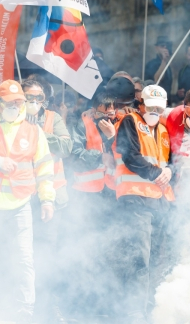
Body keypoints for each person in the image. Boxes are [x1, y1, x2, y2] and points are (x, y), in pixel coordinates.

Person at [0, 80, 55, 324]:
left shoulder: (33, 130)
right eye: (10, 103)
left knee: (23, 262)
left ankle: (23, 314)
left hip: (19, 206)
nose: (16, 107)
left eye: (19, 102)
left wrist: (47, 199)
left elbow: (44, 166)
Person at [114, 85, 174, 324]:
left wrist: (169, 170)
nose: (155, 111)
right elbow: (129, 155)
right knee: (140, 257)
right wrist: (157, 173)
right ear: (141, 104)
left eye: (159, 108)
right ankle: (134, 311)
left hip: (159, 201)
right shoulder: (130, 121)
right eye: (151, 107)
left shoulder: (162, 129)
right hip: (135, 197)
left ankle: (151, 308)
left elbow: (168, 161)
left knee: (157, 257)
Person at [22, 79, 71, 323]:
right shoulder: (11, 118)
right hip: (20, 199)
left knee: (49, 255)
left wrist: (39, 134)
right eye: (28, 97)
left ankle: (49, 307)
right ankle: (23, 307)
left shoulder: (53, 118)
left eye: (38, 98)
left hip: (52, 199)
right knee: (23, 256)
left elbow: (66, 145)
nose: (33, 103)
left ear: (44, 100)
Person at [65, 91, 118, 319]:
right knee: (85, 250)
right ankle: (80, 305)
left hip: (112, 194)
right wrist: (99, 156)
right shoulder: (82, 124)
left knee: (108, 250)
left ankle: (105, 304)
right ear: (94, 110)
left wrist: (112, 137)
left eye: (112, 111)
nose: (109, 115)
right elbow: (74, 153)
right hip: (86, 196)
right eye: (104, 111)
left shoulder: (121, 125)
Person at [145, 36, 173, 100]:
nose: (165, 49)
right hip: (155, 100)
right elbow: (157, 80)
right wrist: (164, 61)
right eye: (162, 46)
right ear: (156, 48)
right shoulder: (151, 64)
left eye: (166, 46)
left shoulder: (167, 66)